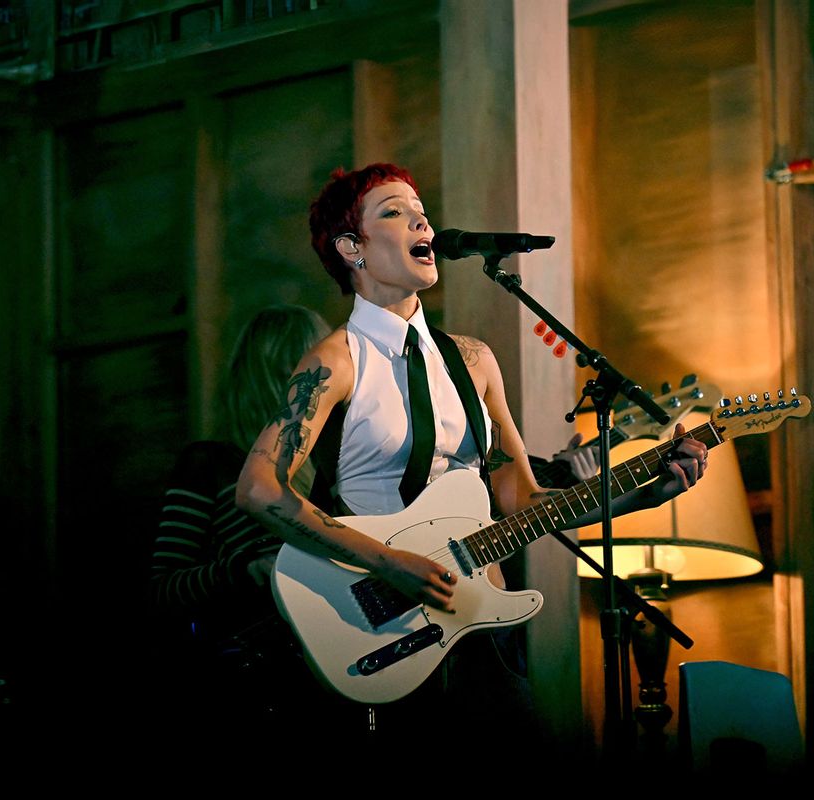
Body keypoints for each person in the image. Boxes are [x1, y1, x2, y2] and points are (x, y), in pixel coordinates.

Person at [235, 163, 708, 753]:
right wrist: (386, 562)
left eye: (420, 209)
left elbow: (525, 501)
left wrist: (647, 492)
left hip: (485, 626)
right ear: (351, 248)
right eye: (393, 212)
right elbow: (259, 489)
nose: (420, 218)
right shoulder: (334, 362)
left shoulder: (474, 360)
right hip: (386, 623)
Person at [147, 303, 331, 757]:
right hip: (258, 685)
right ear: (287, 372)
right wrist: (242, 569)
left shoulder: (337, 467)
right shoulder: (210, 464)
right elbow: (161, 589)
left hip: (339, 673)